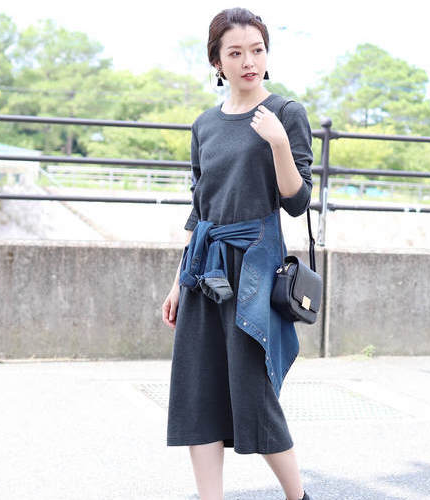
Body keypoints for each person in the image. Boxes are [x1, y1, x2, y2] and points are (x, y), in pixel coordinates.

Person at [162, 7, 313, 500]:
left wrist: (278, 144)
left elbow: (297, 201)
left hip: (254, 269)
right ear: (217, 62)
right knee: (197, 393)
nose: (249, 61)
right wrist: (177, 283)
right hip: (203, 270)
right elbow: (199, 210)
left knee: (254, 393)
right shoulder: (204, 124)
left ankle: (298, 497)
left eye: (257, 50)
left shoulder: (286, 113)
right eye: (236, 53)